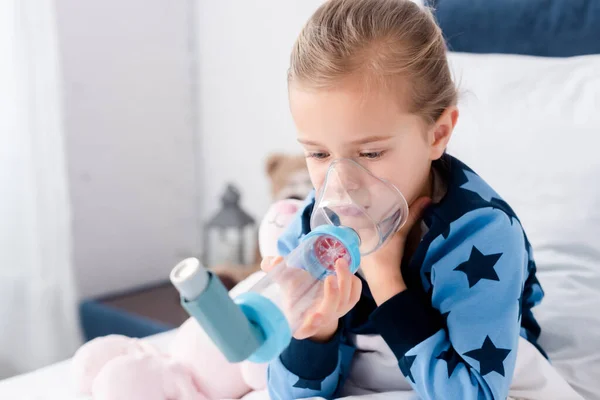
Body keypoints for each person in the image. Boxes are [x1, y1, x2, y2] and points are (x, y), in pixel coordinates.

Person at [264, 0, 547, 399]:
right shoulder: (315, 228)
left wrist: (385, 279)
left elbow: (476, 393)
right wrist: (317, 332)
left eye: (371, 153)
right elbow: (289, 394)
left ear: (437, 134)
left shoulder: (480, 235)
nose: (343, 184)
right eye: (319, 154)